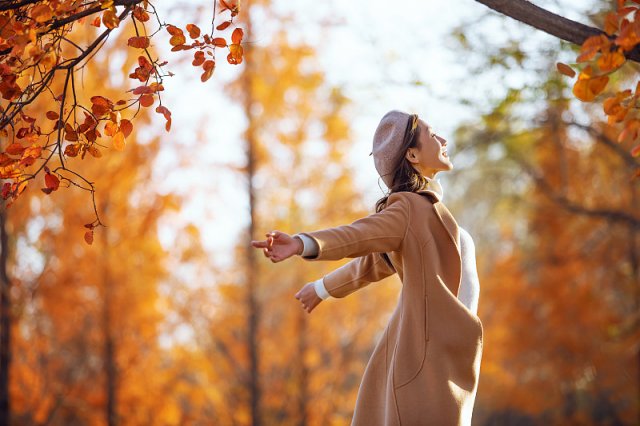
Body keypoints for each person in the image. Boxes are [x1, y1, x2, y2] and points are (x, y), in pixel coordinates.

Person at [251, 110, 483, 426]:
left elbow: (372, 264)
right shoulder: (408, 208)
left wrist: (321, 288)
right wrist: (302, 243)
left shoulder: (425, 212)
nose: (443, 140)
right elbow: (359, 236)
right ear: (412, 154)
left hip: (449, 360)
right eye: (432, 134)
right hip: (429, 366)